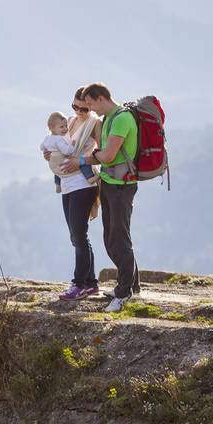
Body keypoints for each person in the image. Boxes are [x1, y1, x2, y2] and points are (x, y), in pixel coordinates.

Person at [74, 82, 140, 311]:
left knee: (118, 239)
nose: (91, 109)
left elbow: (109, 155)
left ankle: (123, 294)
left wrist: (93, 156)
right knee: (114, 237)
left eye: (91, 104)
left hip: (122, 186)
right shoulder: (109, 119)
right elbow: (101, 154)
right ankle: (132, 286)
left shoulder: (121, 119)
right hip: (111, 184)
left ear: (100, 98)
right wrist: (90, 157)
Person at [41, 108, 99, 299]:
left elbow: (102, 151)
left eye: (83, 106)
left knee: (79, 236)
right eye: (75, 106)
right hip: (67, 186)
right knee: (76, 236)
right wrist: (51, 155)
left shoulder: (93, 123)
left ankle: (79, 284)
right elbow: (54, 148)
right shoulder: (71, 124)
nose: (79, 110)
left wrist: (79, 158)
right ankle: (90, 283)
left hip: (82, 185)